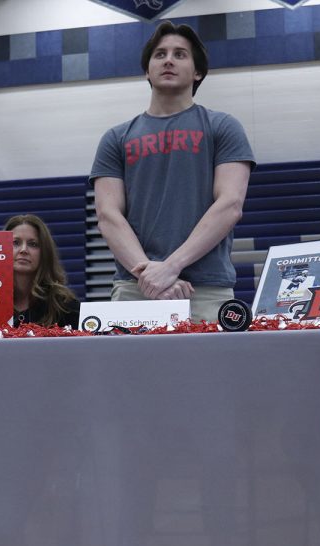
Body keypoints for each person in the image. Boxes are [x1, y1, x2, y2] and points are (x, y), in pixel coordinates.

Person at [90, 20, 256, 323]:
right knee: (129, 373)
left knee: (210, 372)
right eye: (160, 54)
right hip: (133, 287)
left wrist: (170, 267)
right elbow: (108, 215)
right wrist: (150, 275)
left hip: (205, 289)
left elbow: (230, 205)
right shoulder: (115, 138)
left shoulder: (223, 127)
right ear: (147, 70)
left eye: (180, 54)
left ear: (198, 72)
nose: (168, 59)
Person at [5, 214, 80, 328]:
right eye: (15, 243)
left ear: (45, 252)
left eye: (33, 244)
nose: (23, 250)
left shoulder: (64, 306)